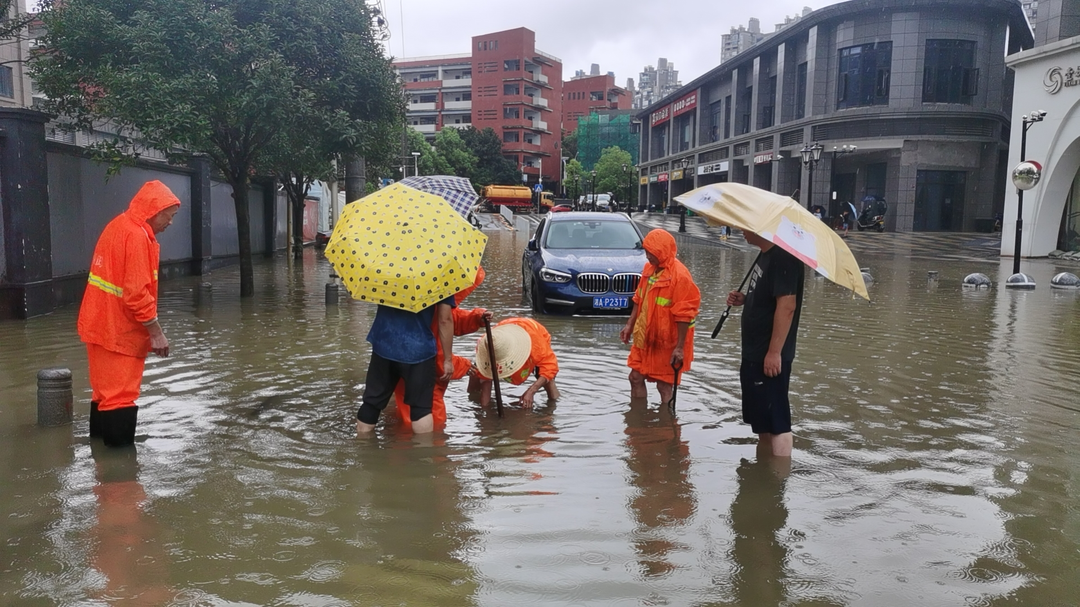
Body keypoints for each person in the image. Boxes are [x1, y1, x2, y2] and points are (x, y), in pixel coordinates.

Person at [78, 180, 180, 448]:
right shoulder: (136, 237)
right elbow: (136, 294)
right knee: (120, 398)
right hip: (118, 332)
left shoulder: (118, 226)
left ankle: (101, 462)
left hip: (98, 325)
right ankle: (121, 477)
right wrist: (156, 333)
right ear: (156, 211)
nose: (170, 223)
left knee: (103, 395)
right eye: (170, 217)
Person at [726, 231, 804, 458]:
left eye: (746, 226)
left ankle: (777, 481)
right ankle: (763, 472)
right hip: (753, 353)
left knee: (777, 421)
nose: (742, 230)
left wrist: (774, 352)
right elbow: (768, 297)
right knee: (761, 420)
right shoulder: (765, 254)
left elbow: (787, 306)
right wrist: (746, 298)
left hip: (768, 355)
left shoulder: (784, 258)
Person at [392, 268, 491, 430]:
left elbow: (449, 319)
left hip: (401, 369)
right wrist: (463, 365)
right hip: (424, 382)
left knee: (406, 414)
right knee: (432, 425)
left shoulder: (420, 300)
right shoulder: (435, 305)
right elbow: (435, 357)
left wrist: (477, 317)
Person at [620, 229, 701, 408]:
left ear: (662, 252)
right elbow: (638, 298)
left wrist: (679, 348)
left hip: (667, 342)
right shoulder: (649, 269)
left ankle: (665, 429)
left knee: (664, 386)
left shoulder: (680, 277)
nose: (647, 256)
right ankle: (638, 423)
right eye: (647, 251)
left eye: (651, 252)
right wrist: (629, 325)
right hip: (645, 337)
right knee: (635, 377)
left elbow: (685, 315)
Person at [357, 295, 455, 435]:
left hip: (384, 345)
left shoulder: (385, 273)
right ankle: (423, 454)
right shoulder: (440, 277)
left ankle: (362, 447)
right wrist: (448, 359)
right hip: (418, 350)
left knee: (371, 403)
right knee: (421, 408)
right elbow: (445, 320)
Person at [471, 317, 559, 409]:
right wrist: (485, 411)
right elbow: (486, 380)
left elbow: (550, 367)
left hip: (533, 336)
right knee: (475, 371)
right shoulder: (487, 344)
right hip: (504, 338)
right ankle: (472, 396)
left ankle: (552, 407)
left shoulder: (535, 345)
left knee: (548, 380)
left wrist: (531, 391)